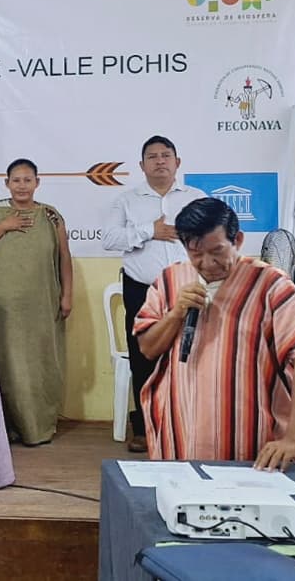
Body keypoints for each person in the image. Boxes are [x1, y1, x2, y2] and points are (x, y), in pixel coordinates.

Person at [133, 197, 295, 470]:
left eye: (217, 251)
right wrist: (176, 313)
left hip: (253, 445)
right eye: (196, 253)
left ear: (237, 240)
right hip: (180, 437)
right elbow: (147, 348)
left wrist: (294, 440)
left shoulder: (271, 285)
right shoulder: (168, 280)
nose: (207, 263)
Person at [102, 135, 207, 454]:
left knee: (191, 354)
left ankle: (190, 424)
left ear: (177, 162)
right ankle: (146, 428)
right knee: (142, 356)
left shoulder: (196, 198)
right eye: (152, 156)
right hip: (141, 290)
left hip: (187, 288)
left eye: (165, 155)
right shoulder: (127, 200)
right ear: (142, 165)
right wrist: (150, 230)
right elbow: (109, 238)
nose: (160, 161)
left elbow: (214, 238)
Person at [0, 158, 74, 445]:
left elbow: (64, 257)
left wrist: (67, 295)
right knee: (6, 364)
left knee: (40, 363)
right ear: (7, 183)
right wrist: (4, 227)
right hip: (3, 309)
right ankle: (4, 429)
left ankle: (36, 427)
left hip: (41, 306)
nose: (22, 186)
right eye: (16, 180)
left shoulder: (51, 216)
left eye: (28, 180)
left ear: (37, 183)